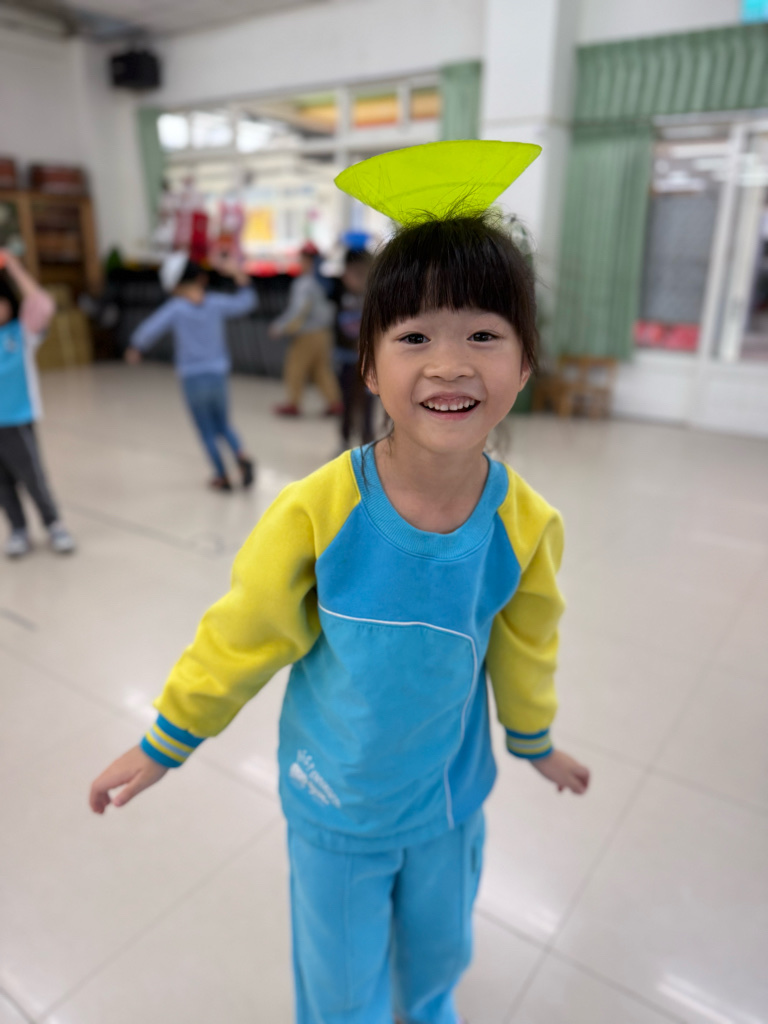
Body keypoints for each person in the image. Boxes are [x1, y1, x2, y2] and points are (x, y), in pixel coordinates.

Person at [89, 141, 590, 1024]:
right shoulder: (316, 512)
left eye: (483, 334)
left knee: (438, 953)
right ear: (368, 365)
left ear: (524, 364)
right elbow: (242, 634)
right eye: (414, 337)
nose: (449, 364)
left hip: (448, 799)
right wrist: (168, 738)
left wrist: (534, 738)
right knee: (342, 981)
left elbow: (526, 643)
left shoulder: (526, 524)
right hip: (338, 802)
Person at [126, 252, 256, 492]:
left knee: (206, 430)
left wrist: (136, 347)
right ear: (201, 279)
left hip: (192, 378)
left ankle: (222, 476)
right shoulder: (215, 303)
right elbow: (246, 302)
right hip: (217, 375)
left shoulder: (176, 308)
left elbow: (150, 329)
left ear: (174, 286)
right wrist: (238, 274)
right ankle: (242, 456)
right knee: (223, 424)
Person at [0, 249, 76, 558]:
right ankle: (18, 529)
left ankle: (53, 523)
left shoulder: (22, 332)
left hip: (17, 419)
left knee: (32, 477)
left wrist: (13, 267)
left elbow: (43, 304)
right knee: (2, 484)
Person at [269, 241, 343, 417]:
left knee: (295, 367)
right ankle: (335, 403)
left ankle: (293, 403)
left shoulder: (304, 283)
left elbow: (298, 311)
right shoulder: (324, 282)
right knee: (321, 369)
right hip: (324, 333)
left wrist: (280, 327)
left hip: (308, 334)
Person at [331, 248, 375, 448]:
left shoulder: (374, 297)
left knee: (368, 404)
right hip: (346, 359)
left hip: (368, 361)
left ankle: (367, 441)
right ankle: (345, 440)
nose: (356, 278)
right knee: (347, 402)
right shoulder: (337, 293)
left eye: (361, 272)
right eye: (352, 272)